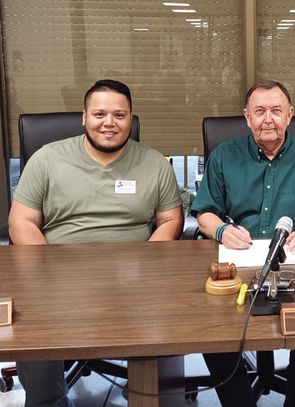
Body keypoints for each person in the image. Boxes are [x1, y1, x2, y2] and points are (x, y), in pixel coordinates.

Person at [9, 79, 184, 407]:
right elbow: (21, 221)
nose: (109, 123)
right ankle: (49, 401)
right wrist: (44, 270)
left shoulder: (155, 164)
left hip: (135, 278)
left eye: (119, 115)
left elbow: (170, 220)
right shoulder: (47, 159)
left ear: (131, 118)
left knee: (171, 319)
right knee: (31, 324)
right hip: (58, 275)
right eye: (99, 114)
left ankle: (149, 395)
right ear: (84, 117)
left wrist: (149, 262)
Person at [191, 79, 295, 406]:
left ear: (290, 115)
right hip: (239, 261)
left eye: (276, 110)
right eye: (259, 111)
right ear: (247, 117)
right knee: (209, 328)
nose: (268, 119)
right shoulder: (224, 156)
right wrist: (220, 231)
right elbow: (204, 212)